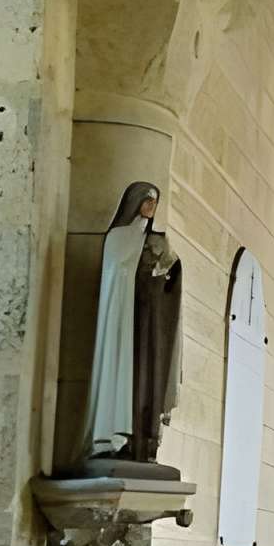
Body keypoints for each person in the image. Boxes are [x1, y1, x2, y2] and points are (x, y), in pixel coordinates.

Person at [79, 182, 182, 469]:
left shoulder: (157, 241)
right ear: (134, 202)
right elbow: (117, 274)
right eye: (147, 200)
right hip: (121, 318)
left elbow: (166, 280)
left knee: (143, 376)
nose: (151, 207)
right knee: (116, 372)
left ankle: (137, 440)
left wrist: (166, 272)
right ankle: (108, 437)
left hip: (144, 322)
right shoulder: (117, 237)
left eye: (155, 202)